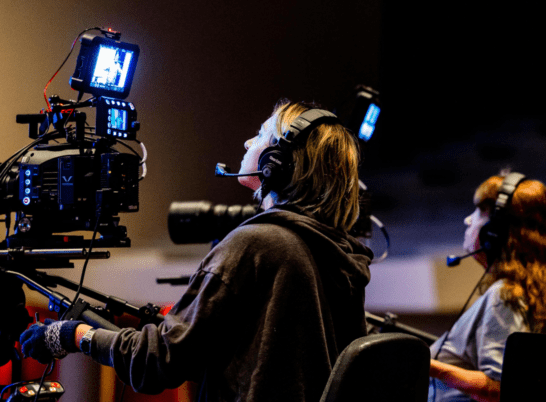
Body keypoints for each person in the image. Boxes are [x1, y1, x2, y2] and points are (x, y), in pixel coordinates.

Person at [20, 99, 373, 401]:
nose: (248, 141)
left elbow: (158, 362)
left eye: (262, 133)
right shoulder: (340, 254)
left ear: (277, 162)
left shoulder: (257, 245)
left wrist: (73, 334)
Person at [428, 174, 546, 402]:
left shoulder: (506, 295)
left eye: (480, 211)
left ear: (494, 232)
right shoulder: (529, 294)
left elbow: (498, 389)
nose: (468, 220)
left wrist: (424, 364)